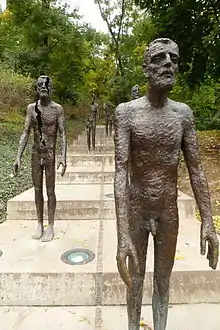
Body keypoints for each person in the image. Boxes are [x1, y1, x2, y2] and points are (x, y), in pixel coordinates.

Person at [114, 38, 219, 330]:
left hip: (168, 212)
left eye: (173, 58)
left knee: (163, 282)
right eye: (160, 58)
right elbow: (120, 173)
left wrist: (208, 221)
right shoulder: (126, 113)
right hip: (136, 210)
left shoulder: (182, 114)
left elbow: (196, 168)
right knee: (134, 282)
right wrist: (122, 233)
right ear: (146, 68)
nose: (169, 63)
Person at [14, 75, 67, 242]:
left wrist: (63, 156)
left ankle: (50, 225)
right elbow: (25, 132)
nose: (43, 87)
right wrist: (18, 156)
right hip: (36, 153)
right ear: (36, 88)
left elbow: (63, 134)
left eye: (46, 84)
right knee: (37, 190)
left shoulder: (57, 109)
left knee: (50, 191)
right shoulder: (31, 108)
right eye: (40, 85)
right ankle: (39, 223)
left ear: (51, 88)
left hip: (50, 154)